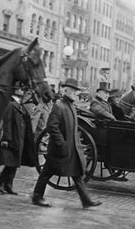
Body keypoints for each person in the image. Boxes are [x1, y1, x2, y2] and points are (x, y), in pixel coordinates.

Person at [32, 78, 101, 208]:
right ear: (65, 90)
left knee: (77, 174)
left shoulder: (71, 107)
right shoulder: (59, 106)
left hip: (70, 148)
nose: (75, 93)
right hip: (59, 149)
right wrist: (61, 144)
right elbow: (52, 126)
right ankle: (37, 196)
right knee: (47, 172)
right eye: (72, 90)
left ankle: (86, 200)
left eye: (76, 91)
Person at [0, 85, 37, 195]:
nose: (23, 92)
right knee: (10, 163)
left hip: (20, 138)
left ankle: (9, 185)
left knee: (15, 163)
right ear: (16, 91)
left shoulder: (20, 105)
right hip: (13, 138)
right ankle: (0, 182)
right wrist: (6, 139)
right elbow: (6, 123)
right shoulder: (11, 105)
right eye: (21, 89)